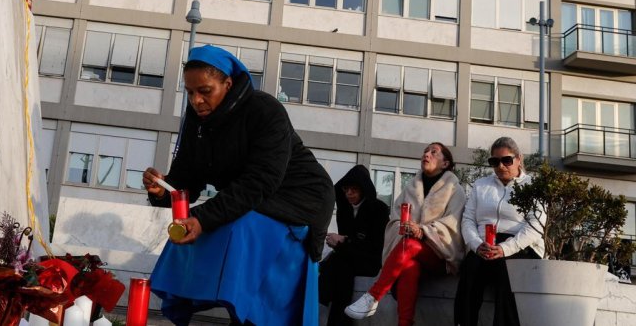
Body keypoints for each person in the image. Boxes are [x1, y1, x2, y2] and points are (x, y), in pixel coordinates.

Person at [143, 45, 335, 326]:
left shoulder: (264, 109)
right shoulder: (197, 123)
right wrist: (163, 190)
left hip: (301, 197)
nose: (196, 100)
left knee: (238, 226)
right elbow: (186, 180)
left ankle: (246, 316)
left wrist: (203, 218)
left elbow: (261, 180)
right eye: (190, 92)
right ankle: (229, 312)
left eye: (205, 91)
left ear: (228, 84)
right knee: (197, 225)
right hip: (254, 197)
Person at [344, 143, 465, 325]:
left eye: (434, 152)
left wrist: (423, 231)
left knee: (410, 245)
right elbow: (394, 220)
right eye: (425, 151)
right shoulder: (410, 187)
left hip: (440, 256)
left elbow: (453, 225)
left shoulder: (456, 190)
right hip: (408, 254)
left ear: (445, 163)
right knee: (410, 266)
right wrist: (405, 227)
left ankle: (374, 295)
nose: (427, 154)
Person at [454, 137, 545, 326]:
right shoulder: (481, 185)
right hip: (483, 243)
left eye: (507, 160)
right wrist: (476, 244)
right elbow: (468, 219)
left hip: (520, 245)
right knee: (470, 271)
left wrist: (504, 249)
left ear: (519, 159)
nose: (501, 166)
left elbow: (535, 225)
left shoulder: (533, 186)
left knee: (506, 274)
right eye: (494, 162)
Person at [318, 166, 389, 326]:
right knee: (339, 266)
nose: (349, 193)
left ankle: (325, 303)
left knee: (338, 265)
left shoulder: (379, 209)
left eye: (354, 189)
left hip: (369, 260)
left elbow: (375, 246)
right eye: (346, 189)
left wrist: (344, 241)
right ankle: (341, 318)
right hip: (347, 257)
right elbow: (347, 242)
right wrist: (339, 243)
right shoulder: (344, 209)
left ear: (363, 190)